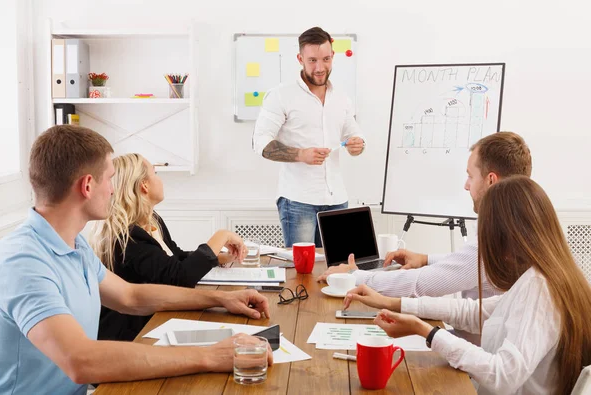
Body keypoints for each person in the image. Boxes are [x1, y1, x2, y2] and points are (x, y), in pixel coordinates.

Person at [0, 125, 272, 395]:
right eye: (110, 178)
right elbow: (81, 360)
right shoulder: (22, 262)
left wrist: (220, 299)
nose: (114, 189)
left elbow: (130, 295)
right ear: (88, 185)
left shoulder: (74, 245)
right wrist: (210, 357)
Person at [343, 176, 591, 395]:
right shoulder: (548, 275)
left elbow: (502, 376)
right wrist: (392, 303)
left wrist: (427, 332)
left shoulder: (538, 287)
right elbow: (474, 312)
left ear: (505, 237)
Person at [318, 132, 533, 301]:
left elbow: (419, 285)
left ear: (491, 180)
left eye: (470, 176)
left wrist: (354, 275)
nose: (466, 185)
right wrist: (425, 259)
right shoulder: (522, 226)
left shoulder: (494, 242)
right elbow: (463, 264)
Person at [90, 153, 248, 341]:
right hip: (133, 332)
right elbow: (179, 278)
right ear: (144, 185)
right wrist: (221, 235)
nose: (160, 180)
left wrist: (218, 257)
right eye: (155, 173)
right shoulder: (128, 236)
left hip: (156, 318)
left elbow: (175, 257)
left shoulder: (152, 220)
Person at [252, 26, 365, 247]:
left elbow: (354, 134)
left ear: (333, 56)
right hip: (297, 201)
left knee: (337, 268)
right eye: (312, 60)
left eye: (326, 59)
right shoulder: (280, 96)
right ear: (300, 59)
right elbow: (260, 142)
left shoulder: (341, 98)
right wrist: (300, 154)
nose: (320, 67)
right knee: (302, 272)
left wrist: (357, 144)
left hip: (337, 200)